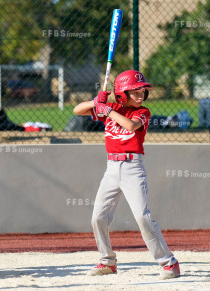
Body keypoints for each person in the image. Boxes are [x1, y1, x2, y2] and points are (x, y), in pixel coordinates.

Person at [73, 70, 180, 280]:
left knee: (142, 216)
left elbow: (130, 126)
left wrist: (107, 110)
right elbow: (78, 110)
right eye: (135, 92)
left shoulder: (143, 113)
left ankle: (169, 263)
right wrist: (96, 102)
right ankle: (107, 261)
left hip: (133, 168)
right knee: (98, 218)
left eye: (143, 92)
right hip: (111, 168)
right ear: (122, 94)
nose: (141, 96)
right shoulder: (111, 109)